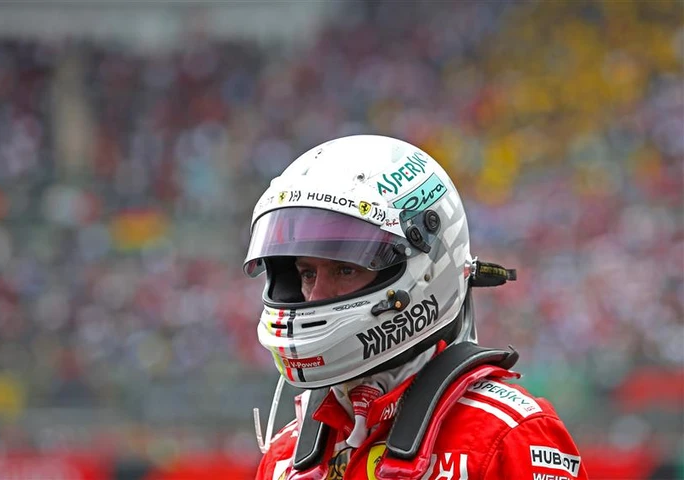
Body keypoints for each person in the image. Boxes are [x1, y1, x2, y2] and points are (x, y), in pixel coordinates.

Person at [243, 135, 588, 480]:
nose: (316, 295)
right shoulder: (284, 456)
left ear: (425, 271)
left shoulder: (507, 436)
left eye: (345, 270)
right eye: (306, 274)